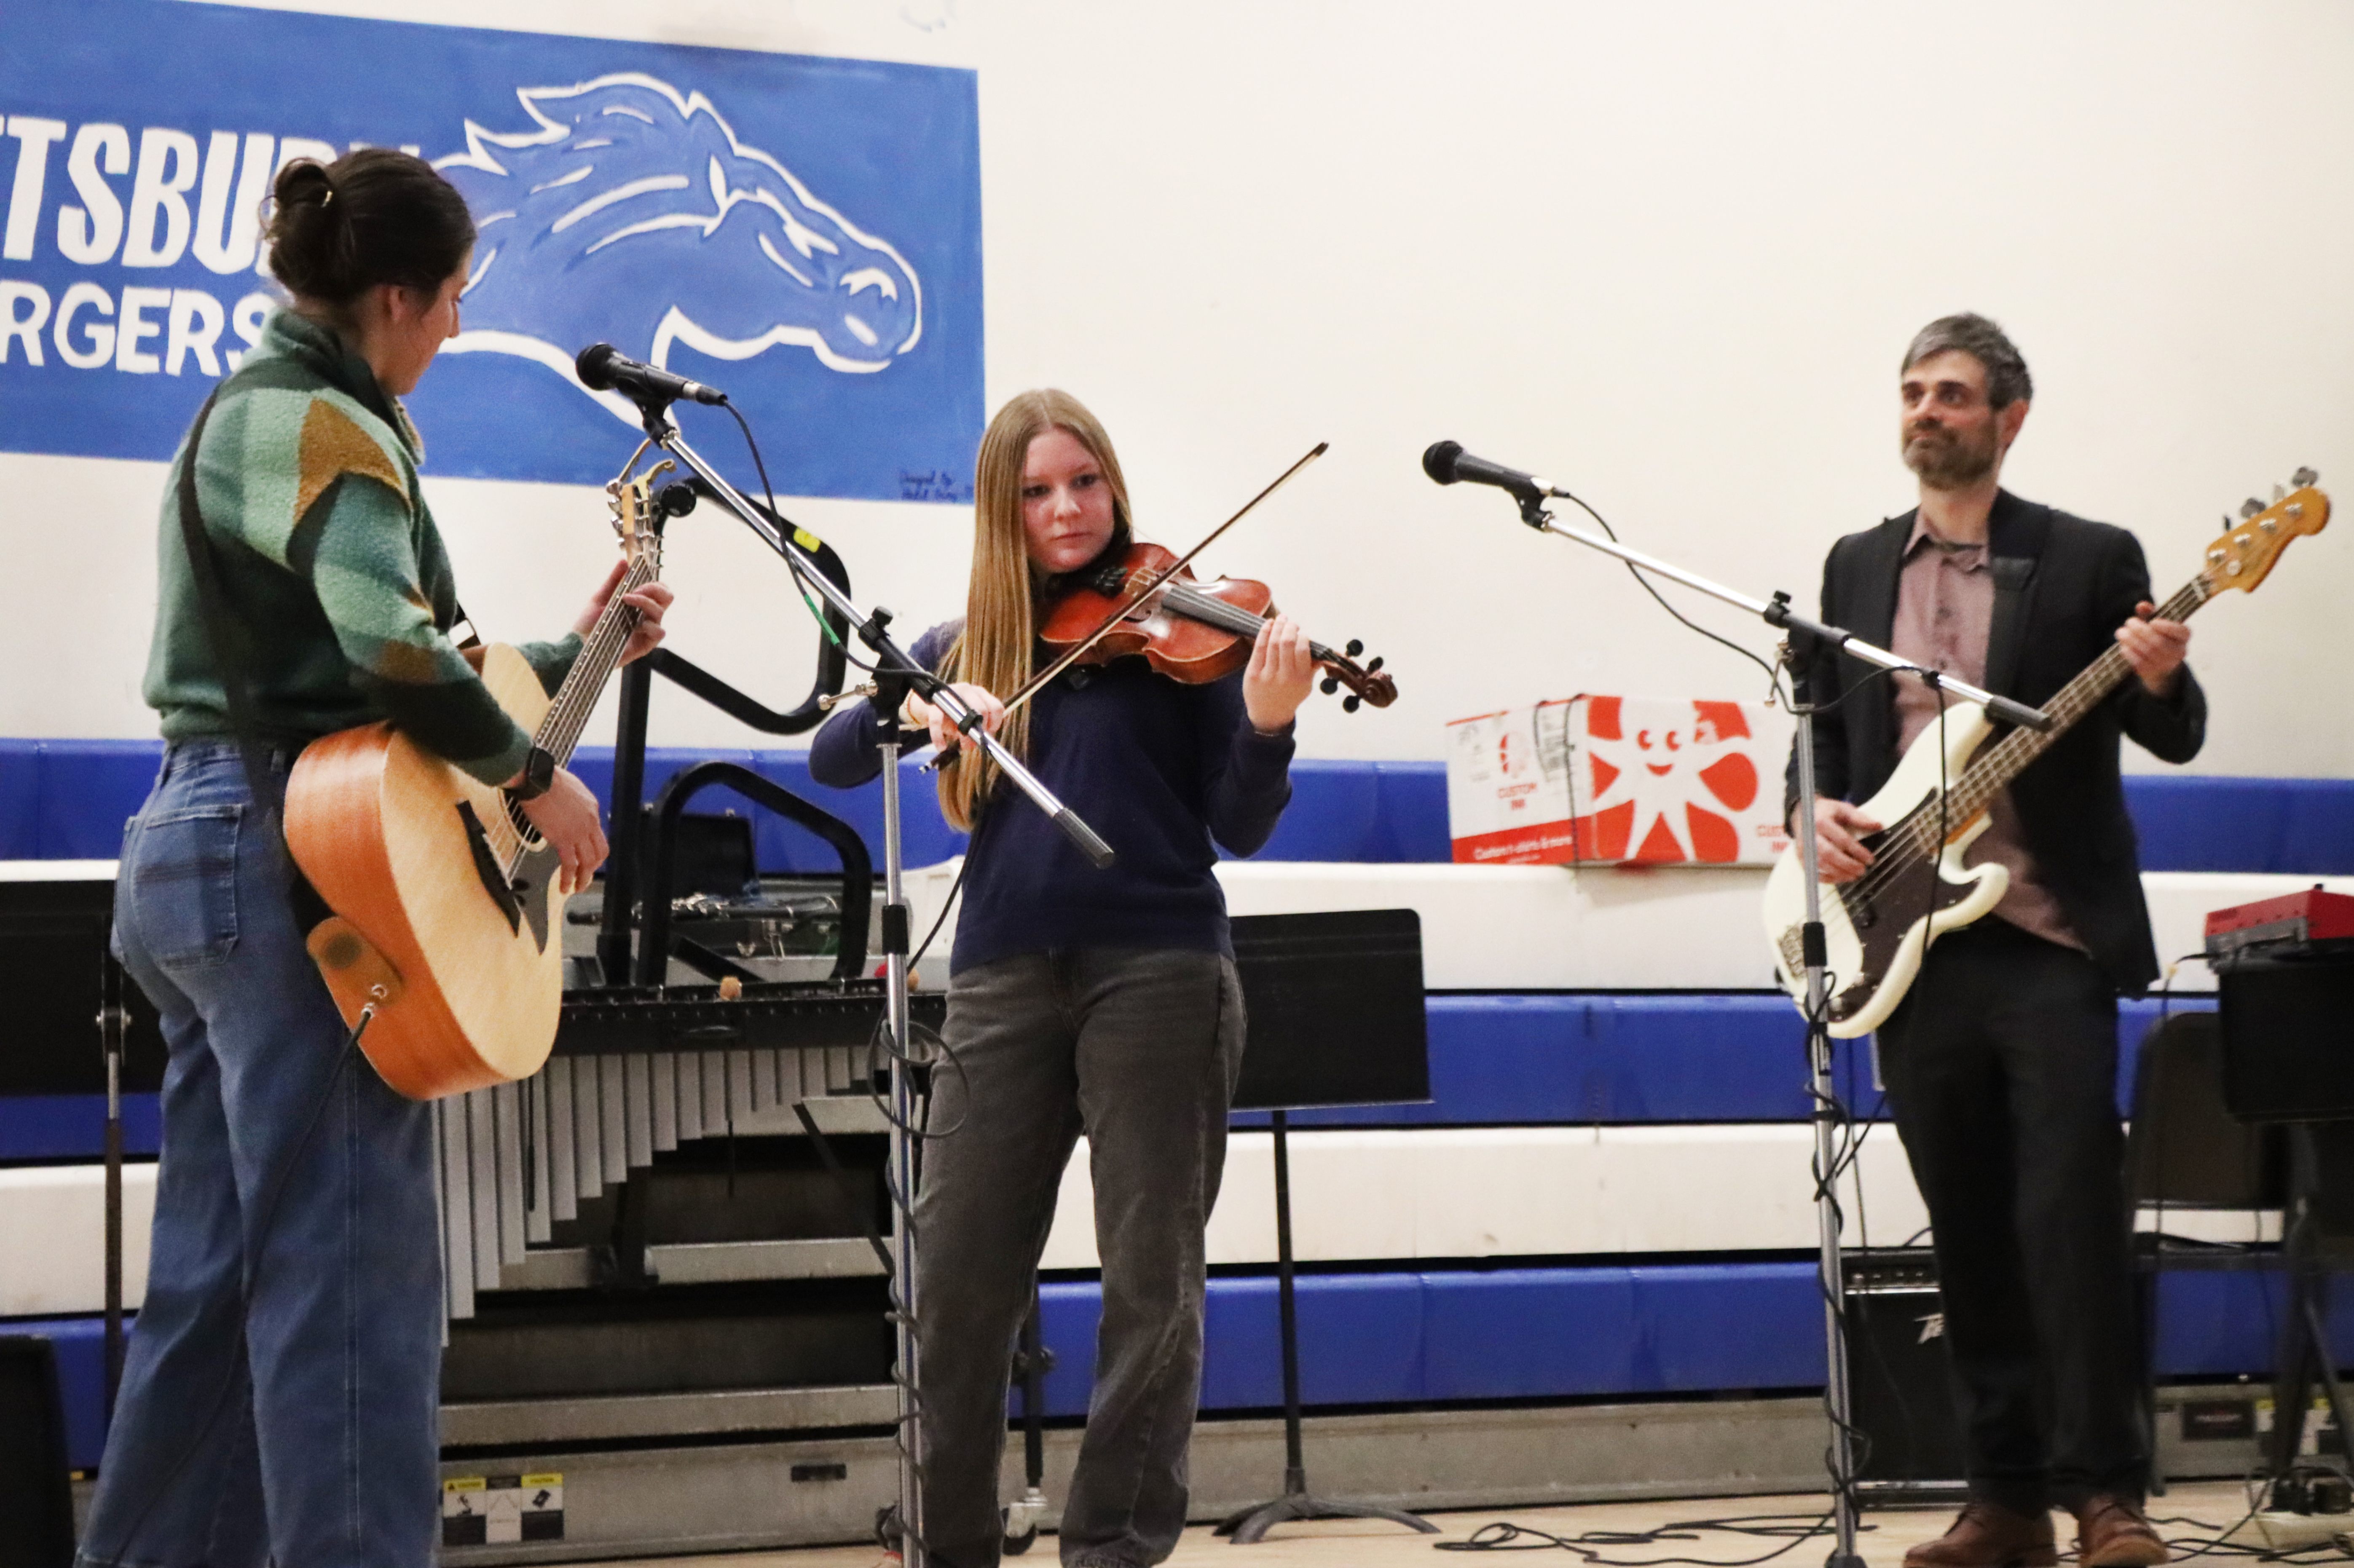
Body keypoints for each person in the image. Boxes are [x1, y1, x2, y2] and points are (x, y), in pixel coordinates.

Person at [80, 149, 670, 1568]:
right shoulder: (326, 426)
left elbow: (376, 659)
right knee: (349, 1282)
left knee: (219, 1292)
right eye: (456, 299)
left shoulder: (262, 416)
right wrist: (535, 771)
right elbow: (393, 653)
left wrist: (562, 654)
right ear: (395, 298)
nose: (460, 327)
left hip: (203, 844)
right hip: (295, 860)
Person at [810, 389, 1316, 1568]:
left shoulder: (1182, 637)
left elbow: (1238, 825)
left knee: (1152, 1286)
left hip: (1159, 971)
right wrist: (915, 696)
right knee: (957, 1285)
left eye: (1083, 482)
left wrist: (1271, 722)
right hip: (998, 979)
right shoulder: (965, 645)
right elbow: (834, 753)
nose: (1067, 509)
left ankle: (1111, 1550)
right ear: (1004, 509)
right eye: (1037, 491)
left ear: (1112, 487)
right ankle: (955, 1546)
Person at [1786, 314, 2202, 1568]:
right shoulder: (1855, 568)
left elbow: (2171, 734)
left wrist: (2159, 673)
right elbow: (1817, 736)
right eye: (1912, 390)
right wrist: (1810, 818)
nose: (1926, 410)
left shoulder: (2082, 557)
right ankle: (2003, 1499)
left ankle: (2108, 1494)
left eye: (1952, 393)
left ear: (2007, 417)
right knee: (1963, 1230)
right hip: (1909, 948)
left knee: (2069, 1220)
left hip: (2048, 939)